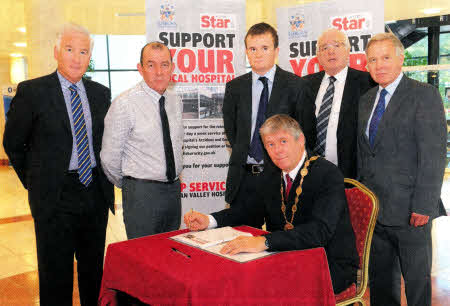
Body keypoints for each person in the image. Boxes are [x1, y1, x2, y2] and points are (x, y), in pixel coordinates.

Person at [3, 23, 114, 306]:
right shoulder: (32, 91)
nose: (76, 58)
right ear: (56, 52)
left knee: (94, 272)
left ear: (90, 56)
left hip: (93, 193)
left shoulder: (101, 93)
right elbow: (14, 143)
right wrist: (39, 181)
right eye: (69, 49)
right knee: (55, 275)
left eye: (83, 51)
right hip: (54, 197)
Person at [185, 114, 358, 294]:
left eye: (283, 141)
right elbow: (249, 211)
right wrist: (209, 219)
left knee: (256, 287)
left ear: (301, 141)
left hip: (328, 263)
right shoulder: (271, 174)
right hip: (283, 256)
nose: (278, 150)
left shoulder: (327, 174)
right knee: (229, 279)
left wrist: (264, 241)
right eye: (270, 144)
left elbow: (319, 231)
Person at [357, 32, 447, 306]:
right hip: (375, 210)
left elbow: (433, 155)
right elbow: (364, 154)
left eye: (386, 57)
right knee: (381, 282)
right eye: (373, 59)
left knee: (417, 282)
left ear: (400, 58)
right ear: (367, 65)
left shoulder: (424, 95)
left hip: (412, 211)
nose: (379, 65)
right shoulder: (366, 100)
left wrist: (424, 205)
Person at [223, 22, 315, 228]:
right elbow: (233, 133)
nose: (258, 54)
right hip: (244, 180)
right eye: (252, 49)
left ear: (276, 50)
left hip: (282, 180)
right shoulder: (234, 88)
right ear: (246, 51)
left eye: (265, 48)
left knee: (281, 247)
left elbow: (306, 134)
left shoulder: (296, 86)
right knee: (241, 245)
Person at [101, 42, 183, 239]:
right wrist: (131, 184)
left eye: (164, 65)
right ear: (140, 69)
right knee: (144, 259)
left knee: (169, 255)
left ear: (172, 68)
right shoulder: (124, 104)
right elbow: (109, 158)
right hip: (141, 194)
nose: (159, 72)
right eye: (151, 65)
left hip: (173, 190)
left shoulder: (175, 101)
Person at [302, 28, 375, 179]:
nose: (331, 51)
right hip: (310, 173)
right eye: (325, 48)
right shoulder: (304, 84)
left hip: (352, 175)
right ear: (318, 56)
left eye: (337, 45)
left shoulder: (368, 83)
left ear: (348, 51)